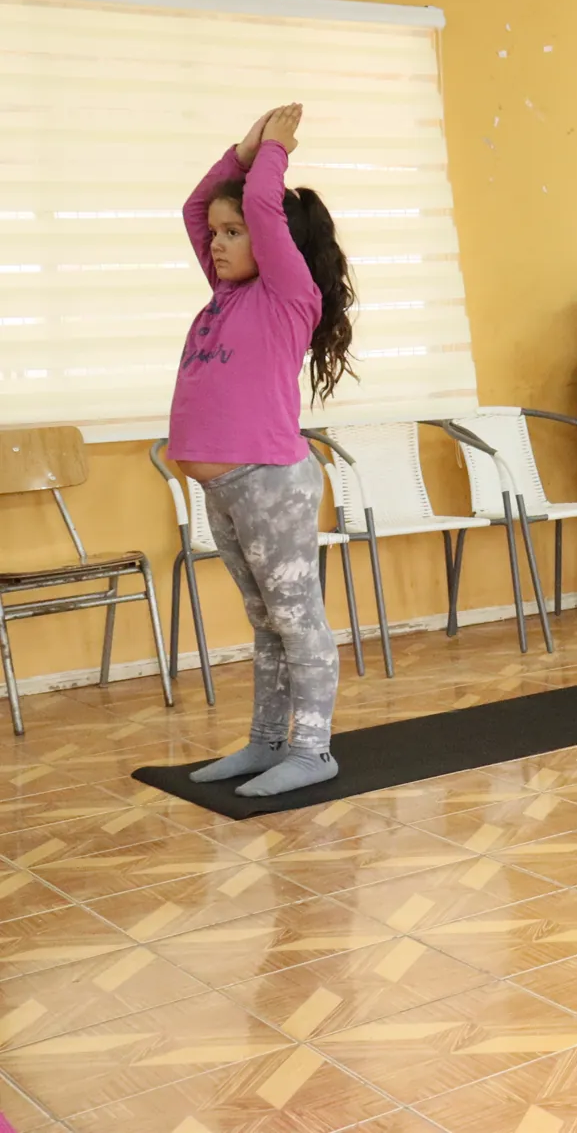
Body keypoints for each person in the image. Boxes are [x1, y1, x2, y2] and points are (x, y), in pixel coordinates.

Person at [172, 103, 356, 797]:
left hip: (271, 481)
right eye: (218, 236)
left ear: (276, 240)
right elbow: (196, 209)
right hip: (225, 488)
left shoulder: (288, 296)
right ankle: (266, 742)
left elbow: (260, 208)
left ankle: (313, 750)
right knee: (266, 623)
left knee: (297, 620)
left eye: (234, 233)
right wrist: (242, 151)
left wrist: (273, 154)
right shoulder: (227, 293)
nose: (217, 243)